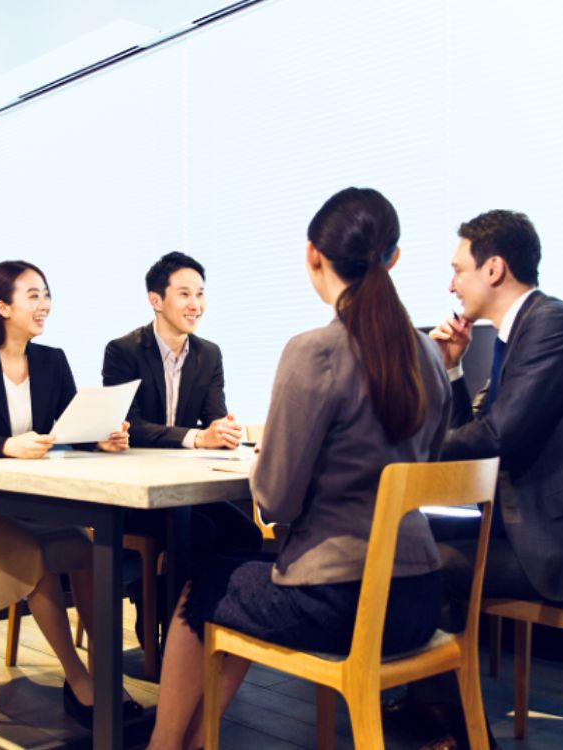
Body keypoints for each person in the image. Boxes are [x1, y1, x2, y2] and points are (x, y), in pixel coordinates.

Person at [146, 187, 452, 750]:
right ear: (395, 257)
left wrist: (269, 464)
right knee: (234, 579)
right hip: (418, 597)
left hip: (340, 602)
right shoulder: (429, 355)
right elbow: (426, 463)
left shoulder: (316, 351)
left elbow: (277, 502)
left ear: (313, 255)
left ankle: (162, 747)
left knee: (206, 584)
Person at [403, 211, 563, 748]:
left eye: (457, 269)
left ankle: (453, 728)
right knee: (413, 539)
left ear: (493, 268)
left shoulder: (551, 327)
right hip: (529, 528)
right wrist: (452, 368)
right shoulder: (519, 333)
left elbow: (497, 436)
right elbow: (481, 435)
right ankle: (420, 698)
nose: (450, 284)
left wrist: (397, 449)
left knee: (428, 564)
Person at [0, 259, 138, 727]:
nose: (44, 304)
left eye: (46, 294)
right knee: (38, 562)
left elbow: (68, 427)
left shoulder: (53, 360)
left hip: (41, 501)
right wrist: (7, 446)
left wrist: (100, 437)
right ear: (2, 306)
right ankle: (80, 681)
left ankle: (105, 672)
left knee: (92, 556)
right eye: (33, 295)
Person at [102, 252, 263, 558]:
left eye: (200, 294)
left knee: (245, 535)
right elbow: (130, 426)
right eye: (185, 294)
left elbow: (214, 418)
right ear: (156, 300)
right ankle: (176, 607)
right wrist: (199, 437)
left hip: (186, 485)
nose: (196, 305)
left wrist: (223, 431)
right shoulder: (123, 351)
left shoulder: (209, 354)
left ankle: (217, 606)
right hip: (140, 489)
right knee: (198, 532)